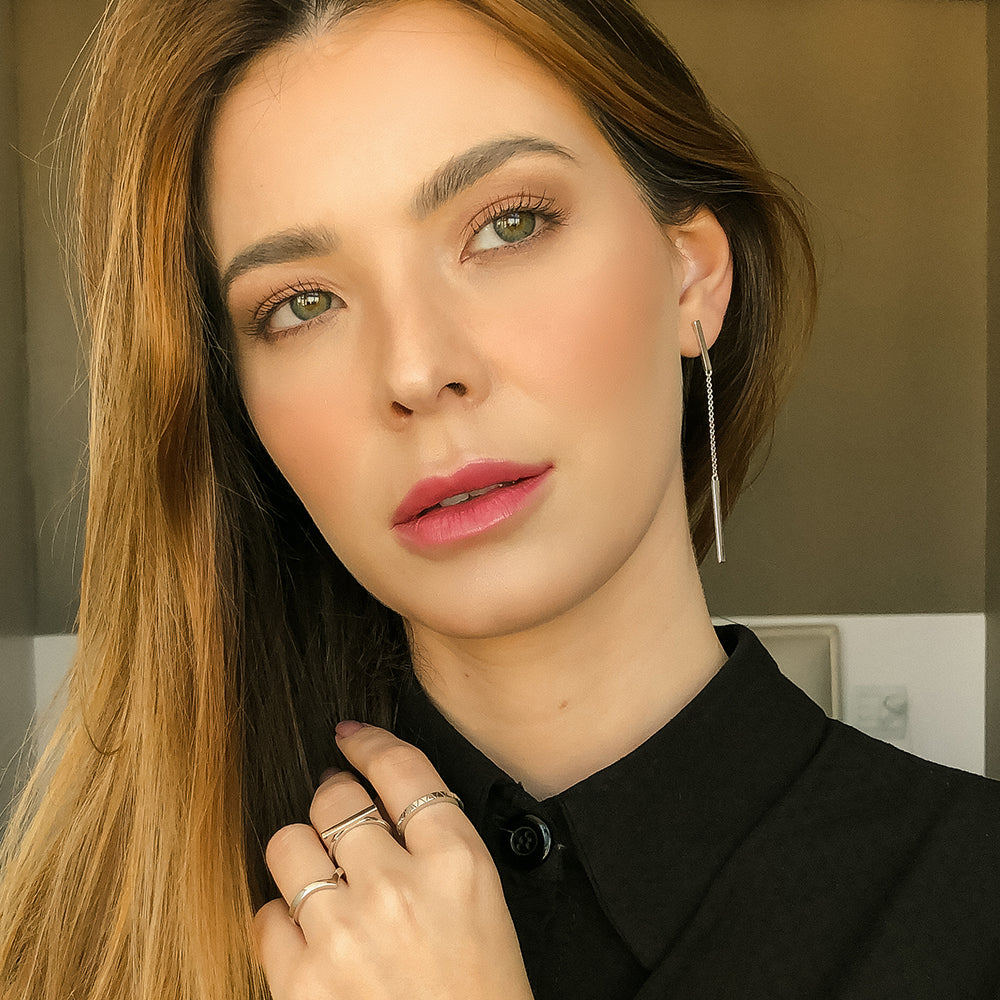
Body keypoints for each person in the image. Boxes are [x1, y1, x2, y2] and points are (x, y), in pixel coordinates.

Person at [1, 0, 998, 998]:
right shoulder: (84, 950)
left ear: (691, 275)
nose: (416, 369)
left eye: (506, 226)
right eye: (302, 303)